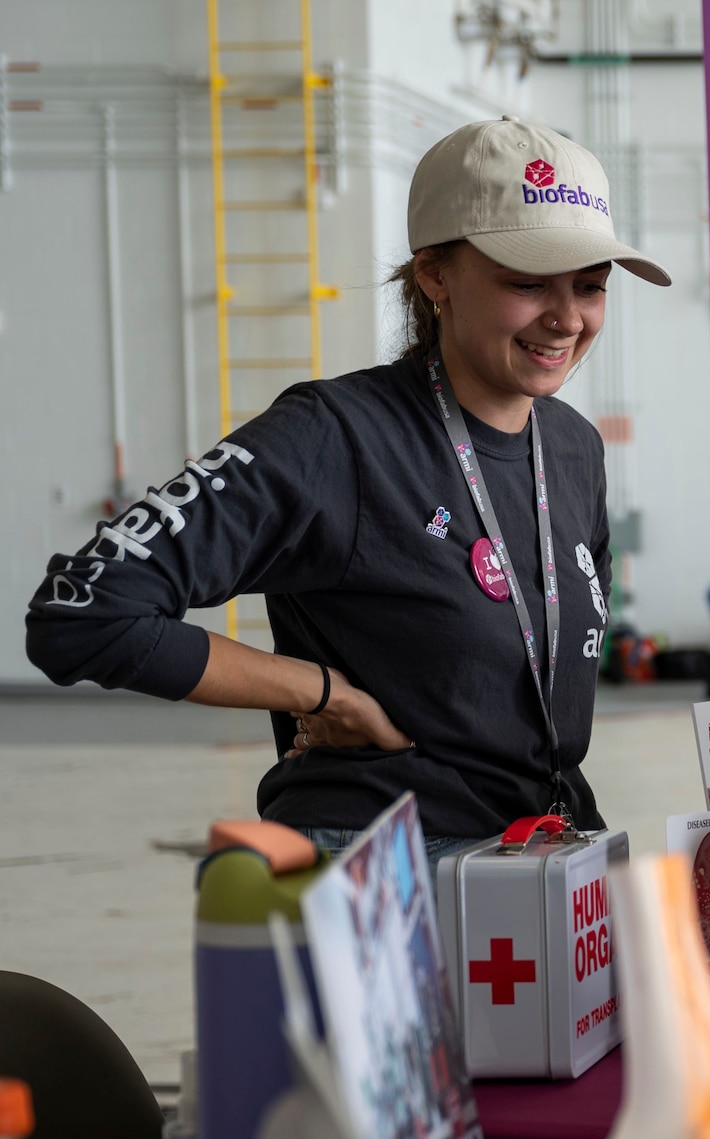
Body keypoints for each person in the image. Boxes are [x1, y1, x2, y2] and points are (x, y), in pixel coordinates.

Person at [23, 118, 670, 862]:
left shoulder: (574, 449)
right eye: (527, 283)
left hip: (542, 858)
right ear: (434, 276)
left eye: (591, 286)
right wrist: (318, 689)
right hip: (385, 869)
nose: (566, 317)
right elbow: (83, 612)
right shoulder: (337, 436)